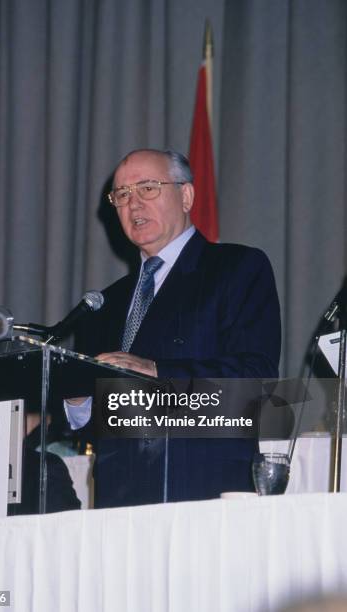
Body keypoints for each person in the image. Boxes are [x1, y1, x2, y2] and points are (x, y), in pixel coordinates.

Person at [65, 148, 281, 508]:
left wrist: (157, 370)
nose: (133, 205)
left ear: (186, 196)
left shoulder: (236, 268)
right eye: (122, 195)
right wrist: (80, 403)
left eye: (147, 188)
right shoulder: (104, 303)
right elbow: (107, 422)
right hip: (120, 501)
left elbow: (254, 378)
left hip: (204, 488)